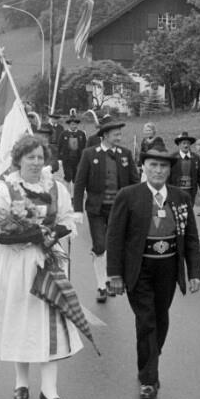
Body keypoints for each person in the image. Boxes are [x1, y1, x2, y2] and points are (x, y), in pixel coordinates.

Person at [0, 134, 81, 399]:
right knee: (21, 321)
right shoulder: (6, 189)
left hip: (48, 262)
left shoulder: (55, 188)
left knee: (51, 322)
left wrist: (51, 234)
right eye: (30, 157)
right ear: (18, 160)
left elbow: (68, 219)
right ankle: (21, 382)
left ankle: (50, 391)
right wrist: (30, 235)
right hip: (16, 265)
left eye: (40, 157)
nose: (35, 162)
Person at [106, 142, 200, 399]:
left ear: (170, 170)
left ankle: (148, 363)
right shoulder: (128, 195)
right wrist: (114, 274)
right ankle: (149, 379)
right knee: (146, 319)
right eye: (153, 165)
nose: (158, 170)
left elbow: (190, 237)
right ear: (144, 168)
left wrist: (194, 271)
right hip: (139, 268)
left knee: (160, 318)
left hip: (167, 268)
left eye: (163, 166)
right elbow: (115, 237)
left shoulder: (180, 198)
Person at [73, 120, 140, 303]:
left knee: (115, 246)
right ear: (105, 135)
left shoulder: (125, 154)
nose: (119, 137)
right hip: (96, 209)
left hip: (119, 210)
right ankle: (101, 285)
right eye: (116, 134)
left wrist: (138, 205)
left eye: (120, 134)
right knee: (100, 246)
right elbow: (80, 183)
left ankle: (111, 280)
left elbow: (135, 182)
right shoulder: (89, 154)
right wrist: (77, 209)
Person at [169, 131, 200, 212]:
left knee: (188, 213)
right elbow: (167, 176)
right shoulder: (173, 157)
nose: (186, 145)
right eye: (184, 143)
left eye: (188, 143)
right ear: (179, 144)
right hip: (176, 191)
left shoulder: (195, 158)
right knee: (178, 213)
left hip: (190, 192)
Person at [57, 111, 88, 186]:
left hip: (78, 158)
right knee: (68, 175)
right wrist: (59, 157)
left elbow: (85, 146)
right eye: (72, 124)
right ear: (69, 125)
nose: (74, 126)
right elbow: (59, 146)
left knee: (76, 176)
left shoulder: (81, 134)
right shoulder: (64, 134)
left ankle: (74, 190)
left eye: (75, 124)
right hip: (67, 158)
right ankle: (66, 190)